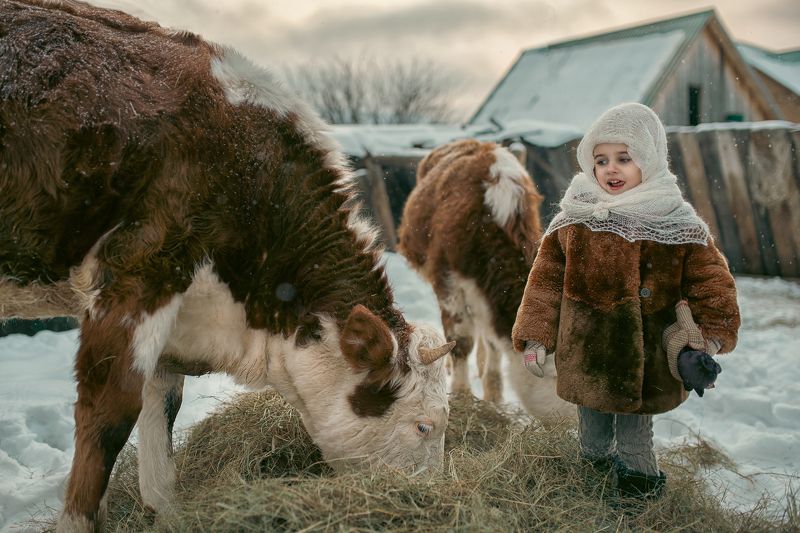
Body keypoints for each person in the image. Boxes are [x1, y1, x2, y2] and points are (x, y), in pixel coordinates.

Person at [511, 102, 741, 500]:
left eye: (624, 158)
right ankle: (592, 494)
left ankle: (640, 504)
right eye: (601, 160)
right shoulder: (575, 217)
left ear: (649, 159)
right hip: (587, 355)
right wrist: (535, 337)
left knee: (636, 441)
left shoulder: (676, 220)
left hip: (646, 361)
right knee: (592, 436)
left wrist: (712, 335)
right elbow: (544, 283)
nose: (610, 169)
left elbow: (712, 284)